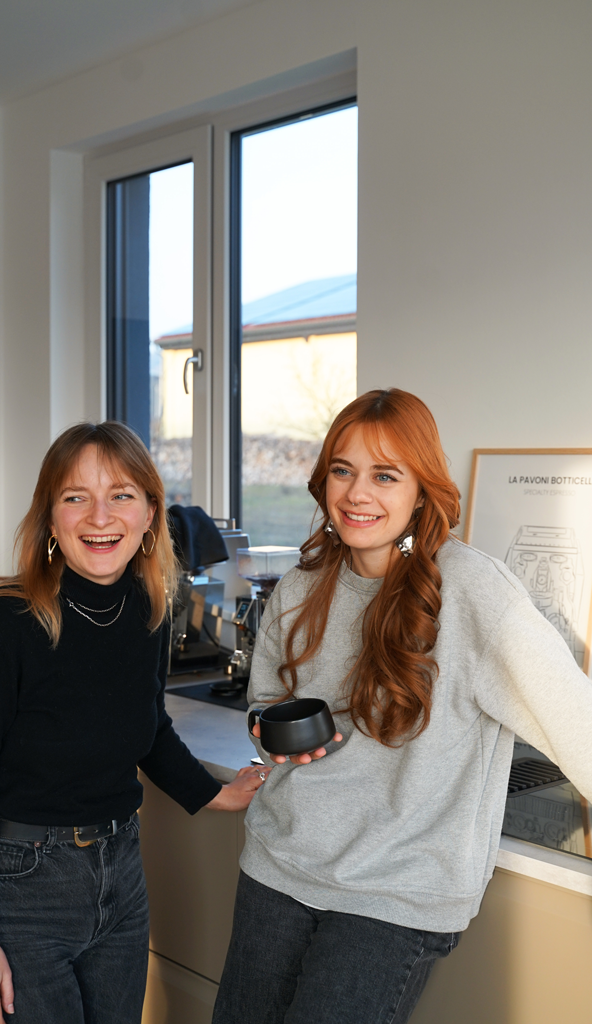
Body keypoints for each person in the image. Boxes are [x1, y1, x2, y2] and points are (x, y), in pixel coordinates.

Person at [212, 388, 592, 1024]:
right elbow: (266, 704)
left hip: (394, 895)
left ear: (422, 490)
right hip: (279, 866)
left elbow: (577, 724)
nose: (358, 494)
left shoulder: (474, 590)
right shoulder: (303, 585)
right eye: (343, 470)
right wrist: (267, 730)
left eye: (385, 475)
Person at [0, 421, 267, 1024]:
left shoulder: (148, 609)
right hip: (18, 887)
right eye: (75, 497)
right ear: (51, 518)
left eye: (121, 494)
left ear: (150, 513)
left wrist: (213, 793)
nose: (98, 515)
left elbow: (146, 725)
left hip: (120, 875)